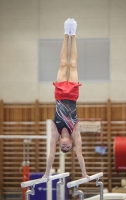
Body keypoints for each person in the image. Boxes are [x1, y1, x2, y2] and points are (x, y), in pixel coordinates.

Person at [43, 18, 89, 179]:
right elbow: (80, 155)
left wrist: (46, 173)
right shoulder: (75, 132)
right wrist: (84, 173)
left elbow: (51, 156)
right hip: (72, 95)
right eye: (67, 147)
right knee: (73, 64)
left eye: (62, 147)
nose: (64, 146)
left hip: (60, 94)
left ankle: (65, 33)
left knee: (63, 64)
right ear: (71, 143)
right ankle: (73, 34)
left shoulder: (55, 133)